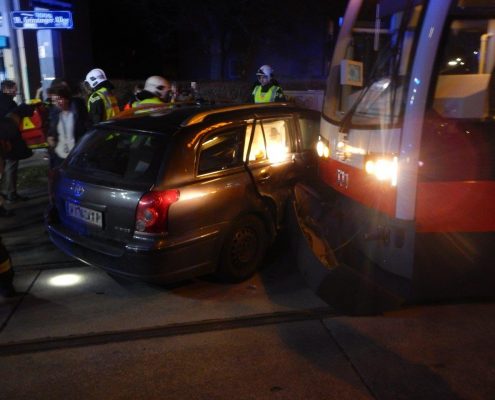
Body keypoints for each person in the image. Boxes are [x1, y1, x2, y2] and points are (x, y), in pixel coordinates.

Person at [46, 83, 90, 168]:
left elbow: (86, 130)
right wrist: (50, 138)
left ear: (67, 98)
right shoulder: (56, 115)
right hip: (59, 157)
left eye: (59, 99)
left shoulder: (77, 113)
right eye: (54, 101)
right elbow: (52, 132)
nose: (57, 103)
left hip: (75, 157)